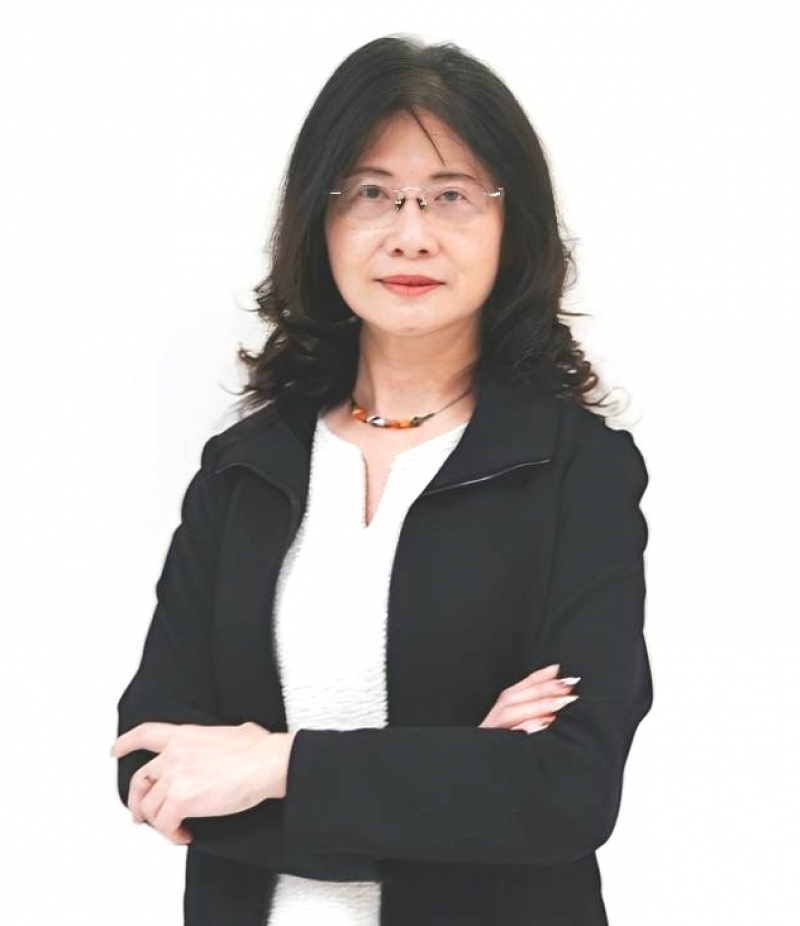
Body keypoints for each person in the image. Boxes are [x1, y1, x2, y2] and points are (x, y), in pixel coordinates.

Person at [111, 34, 652, 926]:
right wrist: (457, 775)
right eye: (370, 193)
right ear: (317, 221)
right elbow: (152, 764)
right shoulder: (246, 469)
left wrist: (273, 765)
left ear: (511, 225)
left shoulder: (574, 470)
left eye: (451, 195)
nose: (410, 234)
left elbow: (564, 793)